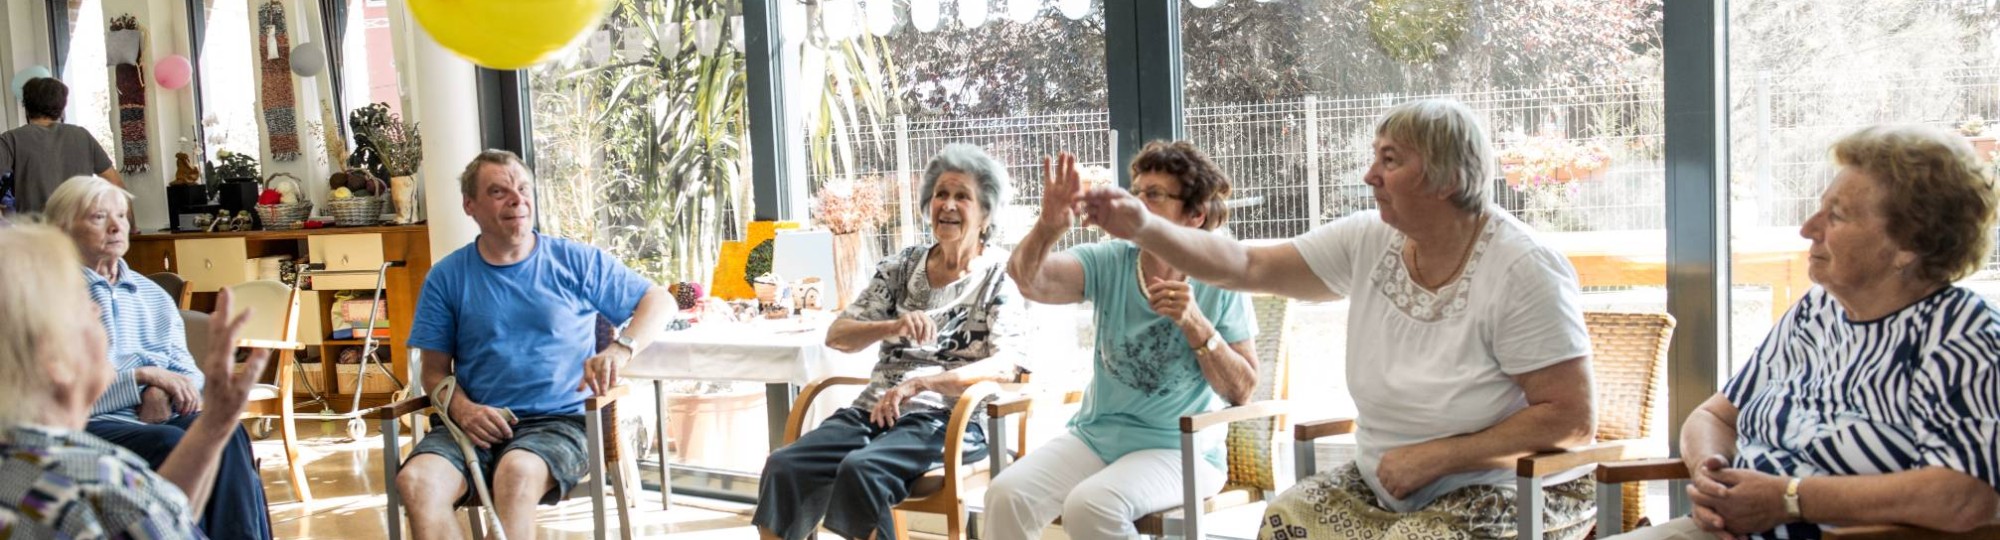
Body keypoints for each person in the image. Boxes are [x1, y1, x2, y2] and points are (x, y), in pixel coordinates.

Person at [1080, 99, 1598, 539]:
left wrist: (1439, 457)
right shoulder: (1369, 238)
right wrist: (1144, 227)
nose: (1370, 174)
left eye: (1389, 160)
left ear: (1447, 178)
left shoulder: (1521, 268)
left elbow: (1570, 418)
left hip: (1510, 488)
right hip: (1389, 482)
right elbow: (1246, 264)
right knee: (1286, 519)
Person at [1606, 125, 2000, 539]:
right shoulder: (1818, 311)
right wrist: (1711, 476)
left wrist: (1790, 499)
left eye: (1837, 216)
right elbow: (1715, 415)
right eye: (1820, 209)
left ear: (1908, 245)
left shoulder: (1962, 337)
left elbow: (1965, 496)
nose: (1809, 228)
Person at [393, 150, 677, 539]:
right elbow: (434, 372)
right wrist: (465, 410)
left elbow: (661, 301)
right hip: (473, 422)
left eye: (523, 188)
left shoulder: (574, 261)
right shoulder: (446, 277)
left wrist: (620, 348)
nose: (517, 199)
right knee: (417, 482)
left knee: (517, 474)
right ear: (470, 205)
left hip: (558, 422)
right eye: (499, 191)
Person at [984, 141, 1261, 540]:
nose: (1137, 202)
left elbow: (1244, 389)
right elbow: (1029, 281)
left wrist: (1196, 325)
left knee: (1091, 506)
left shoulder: (1219, 275)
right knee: (1006, 495)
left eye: (1155, 195)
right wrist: (1048, 227)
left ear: (1195, 214)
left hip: (1182, 451)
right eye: (1137, 191)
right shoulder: (1111, 261)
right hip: (1097, 436)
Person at [754, 143, 1028, 540]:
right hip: (875, 411)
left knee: (862, 470)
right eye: (941, 194)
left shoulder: (999, 277)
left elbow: (1006, 364)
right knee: (783, 466)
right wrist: (892, 326)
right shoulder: (900, 268)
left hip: (949, 419)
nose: (948, 205)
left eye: (962, 197)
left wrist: (920, 383)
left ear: (986, 215)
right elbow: (838, 335)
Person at [0, 225, 271, 538]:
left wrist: (213, 426)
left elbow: (167, 521)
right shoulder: (100, 480)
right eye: (82, 311)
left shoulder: (23, 462)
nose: (96, 309)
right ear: (54, 361)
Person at [0, 77, 123, 215]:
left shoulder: (11, 139)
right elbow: (115, 183)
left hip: (37, 232)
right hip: (82, 230)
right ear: (61, 108)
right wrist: (131, 229)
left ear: (26, 108)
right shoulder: (82, 136)